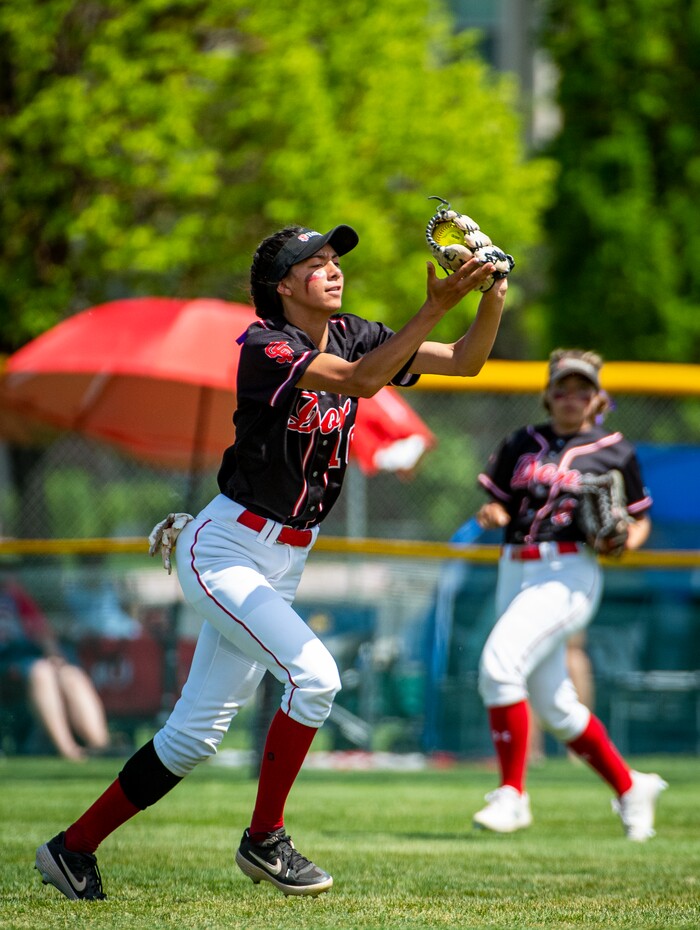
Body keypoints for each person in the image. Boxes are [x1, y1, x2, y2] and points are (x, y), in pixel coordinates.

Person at [35, 221, 509, 900]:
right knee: (315, 678)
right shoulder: (266, 345)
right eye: (313, 263)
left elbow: (466, 362)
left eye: (334, 258)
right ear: (281, 286)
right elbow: (359, 384)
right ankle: (265, 840)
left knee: (192, 738)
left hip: (283, 558)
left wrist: (492, 290)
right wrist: (434, 304)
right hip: (227, 551)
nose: (332, 268)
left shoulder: (354, 332)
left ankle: (71, 850)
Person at [471, 348, 667, 841]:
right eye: (563, 388)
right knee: (555, 705)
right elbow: (495, 504)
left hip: (568, 573)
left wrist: (626, 539)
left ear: (598, 397)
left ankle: (512, 795)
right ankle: (630, 787)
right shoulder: (521, 441)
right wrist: (491, 514)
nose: (572, 398)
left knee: (499, 664)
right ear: (547, 394)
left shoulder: (614, 448)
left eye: (583, 389)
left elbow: (638, 519)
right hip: (515, 568)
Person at [0, 576, 110, 762]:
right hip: (6, 659)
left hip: (28, 654)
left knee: (71, 674)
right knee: (41, 672)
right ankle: (69, 750)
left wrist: (54, 655)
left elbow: (41, 629)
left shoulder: (14, 595)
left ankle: (101, 747)